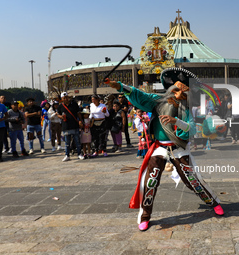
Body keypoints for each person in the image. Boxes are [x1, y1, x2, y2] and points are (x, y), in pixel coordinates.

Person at [106, 67, 223, 231]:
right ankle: (145, 216)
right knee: (151, 181)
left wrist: (176, 122)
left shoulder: (185, 109)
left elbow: (191, 128)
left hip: (178, 149)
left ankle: (213, 202)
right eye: (176, 89)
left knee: (192, 180)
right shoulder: (157, 101)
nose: (178, 94)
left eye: (183, 91)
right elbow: (140, 95)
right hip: (160, 148)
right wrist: (118, 86)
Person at [57, 92, 84, 161]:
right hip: (66, 125)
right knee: (67, 142)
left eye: (66, 97)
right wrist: (61, 117)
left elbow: (78, 113)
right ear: (62, 99)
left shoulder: (74, 104)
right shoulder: (60, 106)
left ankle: (79, 154)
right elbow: (58, 114)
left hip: (74, 124)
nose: (66, 99)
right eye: (64, 98)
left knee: (77, 141)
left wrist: (80, 121)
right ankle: (67, 155)